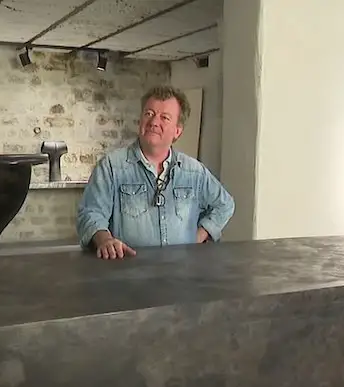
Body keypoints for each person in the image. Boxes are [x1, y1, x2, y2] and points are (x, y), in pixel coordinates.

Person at [76, 85, 235, 259]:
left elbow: (225, 204)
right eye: (149, 114)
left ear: (177, 131)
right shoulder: (112, 167)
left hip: (181, 276)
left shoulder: (194, 172)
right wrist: (105, 240)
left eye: (164, 117)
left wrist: (200, 235)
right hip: (128, 275)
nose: (154, 122)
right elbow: (90, 213)